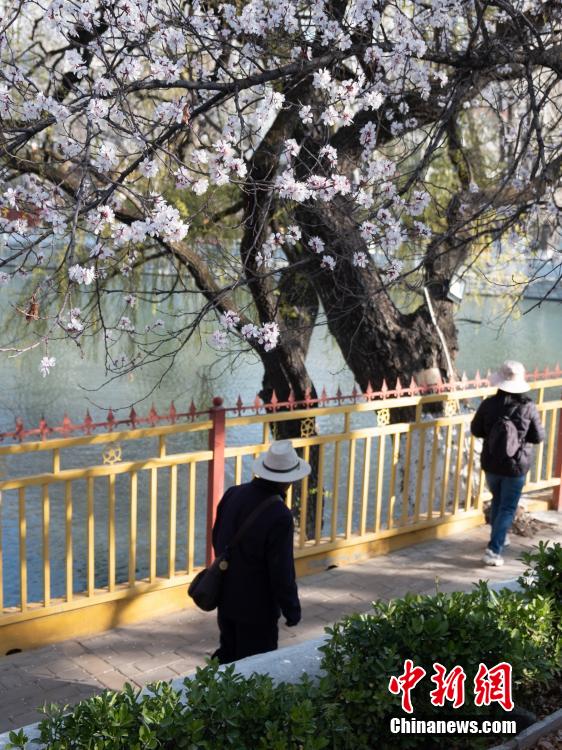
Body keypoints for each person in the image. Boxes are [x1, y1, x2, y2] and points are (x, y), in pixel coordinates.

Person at [211, 439, 311, 664]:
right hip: (258, 609)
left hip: (226, 597)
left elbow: (217, 537)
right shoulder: (280, 515)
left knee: (228, 660)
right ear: (287, 481)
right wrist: (292, 610)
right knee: (257, 667)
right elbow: (281, 571)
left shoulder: (233, 493)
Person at [471, 360, 544, 567]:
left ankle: (500, 538)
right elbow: (538, 436)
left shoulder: (488, 404)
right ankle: (494, 550)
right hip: (516, 466)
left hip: (491, 463)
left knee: (498, 500)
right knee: (508, 507)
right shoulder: (528, 407)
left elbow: (476, 430)